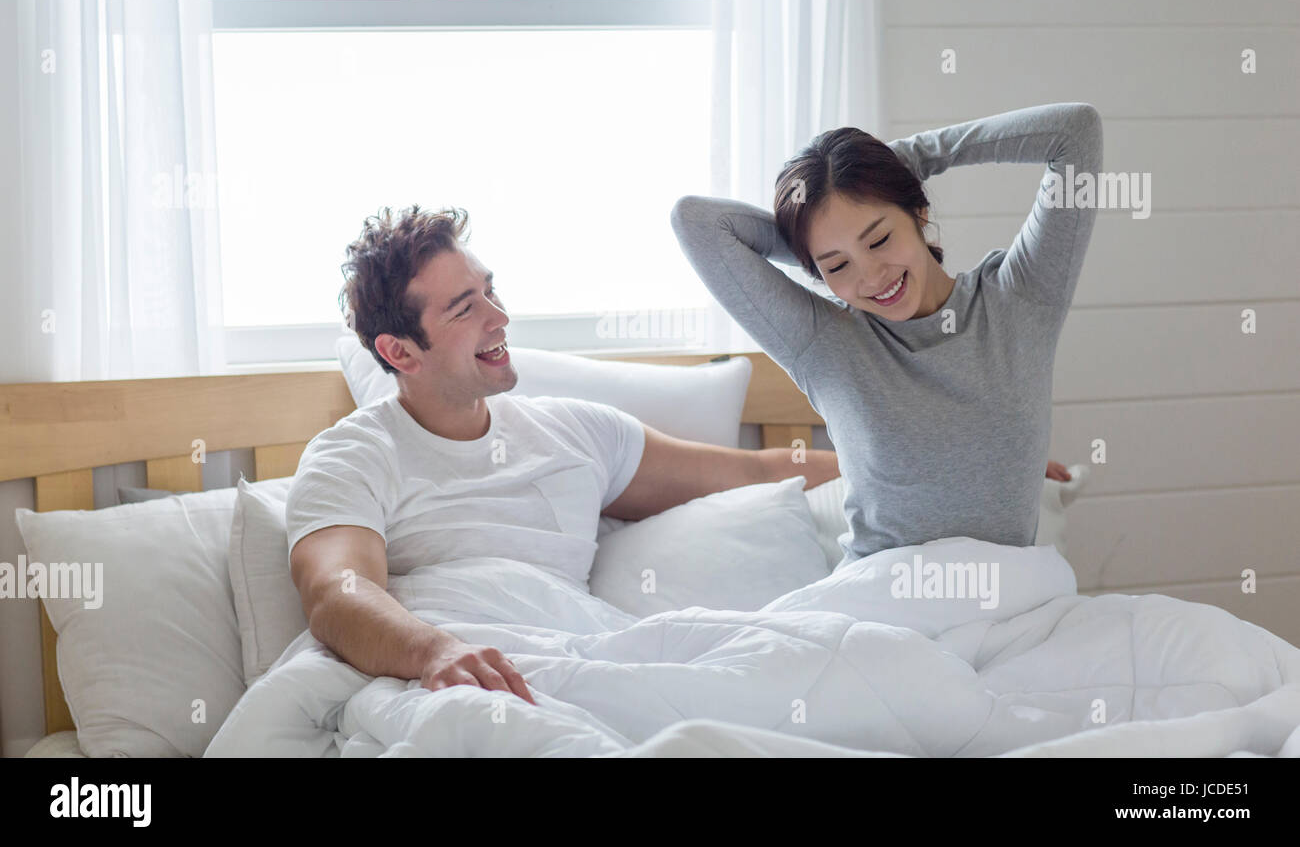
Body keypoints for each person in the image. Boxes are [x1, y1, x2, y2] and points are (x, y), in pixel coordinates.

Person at [286, 205, 841, 706]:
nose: (499, 317)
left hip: (577, 661)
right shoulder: (351, 455)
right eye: (463, 309)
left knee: (825, 658)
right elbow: (338, 593)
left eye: (490, 290)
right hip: (459, 683)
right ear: (398, 351)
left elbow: (755, 472)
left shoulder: (576, 433)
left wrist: (904, 471)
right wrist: (436, 651)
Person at [671, 102, 1101, 569]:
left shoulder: (1021, 299)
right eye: (837, 265)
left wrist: (909, 161)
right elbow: (695, 222)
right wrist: (810, 238)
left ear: (918, 211)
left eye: (878, 240)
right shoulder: (827, 345)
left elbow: (1075, 132)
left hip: (1008, 606)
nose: (872, 276)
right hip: (882, 607)